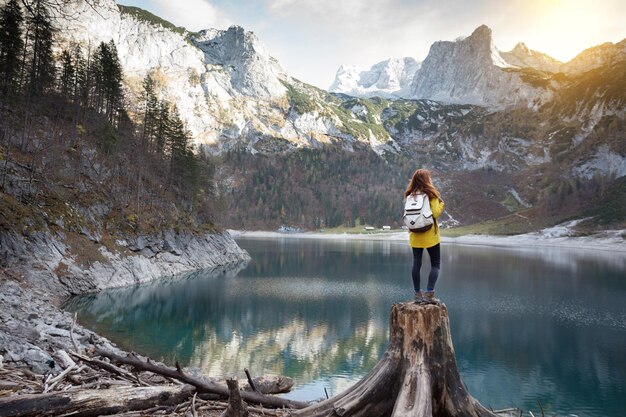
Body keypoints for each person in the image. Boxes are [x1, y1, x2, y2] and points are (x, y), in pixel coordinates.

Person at [404, 169, 445, 303]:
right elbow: (435, 213)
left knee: (416, 263)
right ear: (427, 180)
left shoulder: (410, 195)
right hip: (430, 236)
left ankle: (417, 294)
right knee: (435, 264)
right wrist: (441, 203)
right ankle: (429, 294)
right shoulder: (431, 194)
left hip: (415, 235)